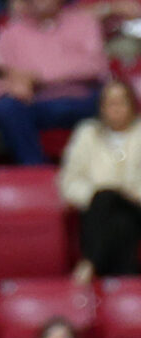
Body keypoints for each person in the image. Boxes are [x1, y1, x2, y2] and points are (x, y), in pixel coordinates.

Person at [0, 0, 108, 164]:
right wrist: (12, 87)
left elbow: (96, 66)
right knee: (6, 107)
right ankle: (35, 173)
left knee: (104, 102)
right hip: (35, 104)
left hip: (80, 101)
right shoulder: (12, 31)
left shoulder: (84, 22)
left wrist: (38, 77)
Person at [64, 79, 141, 278]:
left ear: (132, 105)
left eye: (121, 102)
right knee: (113, 211)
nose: (115, 109)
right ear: (101, 108)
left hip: (137, 205)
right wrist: (97, 195)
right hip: (97, 208)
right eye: (110, 103)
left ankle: (89, 263)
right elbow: (70, 180)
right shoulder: (86, 134)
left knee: (113, 203)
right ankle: (125, 277)